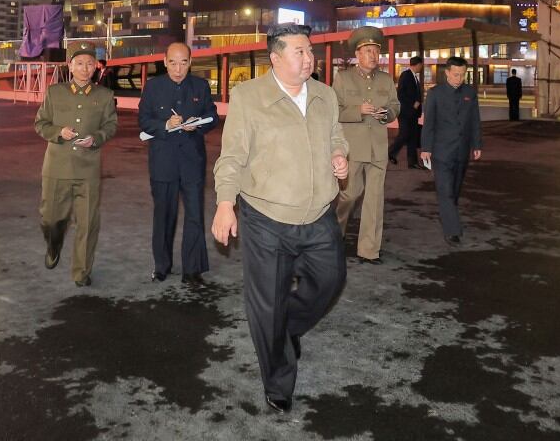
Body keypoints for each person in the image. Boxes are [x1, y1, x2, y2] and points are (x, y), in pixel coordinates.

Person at [211, 23, 349, 414]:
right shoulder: (249, 97)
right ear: (275, 58)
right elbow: (232, 157)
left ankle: (286, 329)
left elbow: (336, 133)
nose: (309, 59)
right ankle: (278, 380)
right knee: (267, 303)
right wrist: (225, 204)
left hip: (319, 213)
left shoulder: (324, 94)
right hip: (266, 217)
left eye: (309, 51)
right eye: (300, 52)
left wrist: (339, 154)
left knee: (331, 280)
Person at [34, 42, 118, 287]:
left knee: (88, 223)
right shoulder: (54, 92)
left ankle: (81, 271)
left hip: (88, 168)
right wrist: (59, 131)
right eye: (79, 63)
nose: (85, 68)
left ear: (96, 66)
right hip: (57, 166)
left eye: (90, 63)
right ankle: (53, 245)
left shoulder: (104, 95)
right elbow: (40, 124)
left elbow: (111, 126)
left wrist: (97, 138)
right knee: (50, 218)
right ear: (70, 65)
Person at [138, 41, 218, 285]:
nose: (178, 68)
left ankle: (192, 270)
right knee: (164, 215)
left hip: (192, 161)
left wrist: (200, 122)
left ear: (190, 62)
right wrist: (165, 125)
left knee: (194, 215)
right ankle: (162, 266)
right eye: (172, 62)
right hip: (163, 161)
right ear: (165, 62)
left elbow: (213, 116)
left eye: (183, 62)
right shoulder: (153, 87)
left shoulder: (201, 86)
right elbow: (143, 119)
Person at [333, 26, 400, 265]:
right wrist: (357, 111)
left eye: (376, 51)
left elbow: (395, 106)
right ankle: (334, 234)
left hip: (378, 148)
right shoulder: (343, 78)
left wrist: (387, 114)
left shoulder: (386, 79)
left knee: (374, 198)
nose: (374, 56)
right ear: (358, 54)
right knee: (350, 194)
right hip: (353, 147)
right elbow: (335, 111)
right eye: (368, 51)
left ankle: (369, 249)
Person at [420, 56, 483, 245]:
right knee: (445, 191)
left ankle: (449, 216)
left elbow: (475, 120)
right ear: (447, 72)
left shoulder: (470, 93)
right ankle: (452, 230)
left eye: (463, 75)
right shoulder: (435, 94)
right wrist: (426, 148)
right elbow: (428, 123)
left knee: (454, 190)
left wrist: (477, 145)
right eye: (456, 74)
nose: (459, 78)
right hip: (441, 151)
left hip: (462, 150)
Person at [388, 55, 424, 168]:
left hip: (413, 113)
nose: (421, 68)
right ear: (417, 65)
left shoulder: (415, 77)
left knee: (413, 137)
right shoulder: (406, 75)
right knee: (404, 135)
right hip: (405, 112)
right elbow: (401, 94)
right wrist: (413, 103)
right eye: (421, 66)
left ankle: (412, 163)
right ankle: (389, 153)